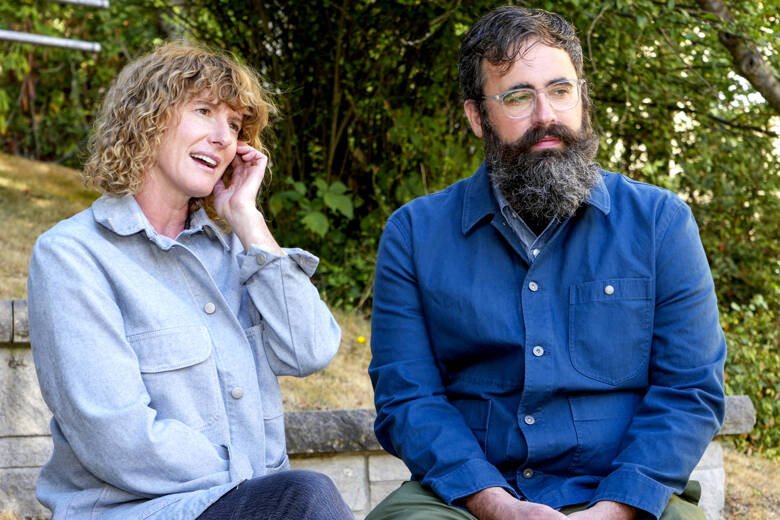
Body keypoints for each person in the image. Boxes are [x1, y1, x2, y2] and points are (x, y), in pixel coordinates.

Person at [367, 6, 726, 520]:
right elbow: (407, 398)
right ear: (477, 116)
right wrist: (492, 503)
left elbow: (690, 391)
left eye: (560, 90)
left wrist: (616, 508)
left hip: (625, 490)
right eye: (518, 96)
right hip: (469, 496)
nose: (546, 116)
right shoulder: (414, 234)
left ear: (581, 96)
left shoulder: (660, 223)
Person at [28, 42, 353, 520]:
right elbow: (117, 438)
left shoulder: (237, 254)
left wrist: (247, 217)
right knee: (301, 498)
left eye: (235, 126)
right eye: (204, 111)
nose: (223, 137)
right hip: (134, 511)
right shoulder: (74, 256)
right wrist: (258, 479)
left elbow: (310, 350)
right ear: (147, 119)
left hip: (244, 504)